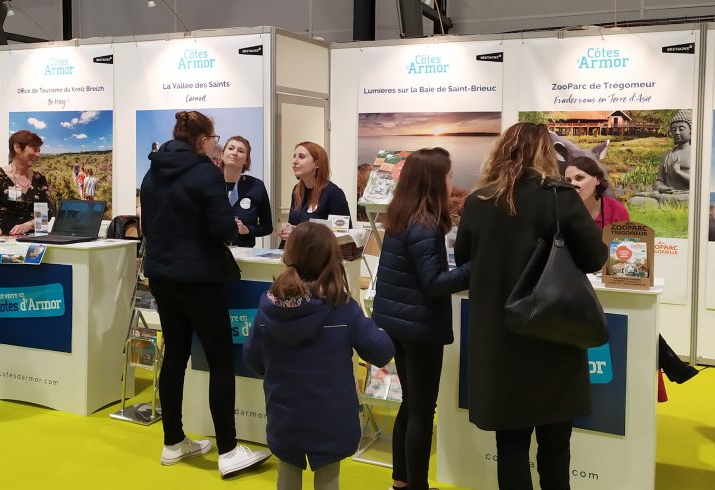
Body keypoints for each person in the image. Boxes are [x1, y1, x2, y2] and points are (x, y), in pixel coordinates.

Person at [454, 123, 607, 490]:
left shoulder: (479, 201)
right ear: (545, 154)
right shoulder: (559, 197)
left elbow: (463, 258)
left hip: (500, 342)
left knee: (510, 446)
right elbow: (593, 258)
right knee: (555, 447)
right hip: (553, 337)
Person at [140, 110, 271, 476]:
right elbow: (223, 230)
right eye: (214, 138)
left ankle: (173, 442)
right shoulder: (205, 174)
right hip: (200, 276)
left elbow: (149, 225)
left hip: (163, 275)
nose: (216, 143)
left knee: (175, 355)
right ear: (202, 140)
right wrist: (229, 227)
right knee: (220, 360)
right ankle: (228, 450)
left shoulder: (152, 173)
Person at [244, 222, 394, 490]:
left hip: (284, 411)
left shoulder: (267, 306)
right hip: (332, 416)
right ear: (330, 258)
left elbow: (252, 359)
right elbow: (381, 351)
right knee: (328, 477)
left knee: (287, 470)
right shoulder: (342, 308)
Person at [371, 148, 471, 490]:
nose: (451, 181)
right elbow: (434, 284)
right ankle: (416, 484)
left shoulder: (401, 218)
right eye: (449, 175)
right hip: (420, 327)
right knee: (421, 411)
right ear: (434, 181)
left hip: (399, 323)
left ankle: (401, 480)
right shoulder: (425, 226)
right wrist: (477, 268)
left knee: (411, 404)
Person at [563, 156, 698, 385]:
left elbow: (628, 252)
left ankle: (668, 362)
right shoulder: (563, 208)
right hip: (574, 280)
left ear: (597, 180)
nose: (573, 183)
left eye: (579, 177)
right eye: (568, 179)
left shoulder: (615, 209)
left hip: (609, 278)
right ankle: (671, 362)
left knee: (634, 309)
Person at [0, 130, 55, 237]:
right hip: (3, 242)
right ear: (17, 148)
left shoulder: (39, 179)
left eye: (39, 150)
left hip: (34, 244)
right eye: (34, 149)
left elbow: (45, 214)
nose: (38, 154)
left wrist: (28, 225)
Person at [278, 142, 351, 246]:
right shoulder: (296, 191)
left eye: (301, 157)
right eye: (294, 156)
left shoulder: (333, 193)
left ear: (317, 164)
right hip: (295, 254)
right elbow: (294, 224)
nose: (294, 161)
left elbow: (342, 235)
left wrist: (299, 234)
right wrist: (287, 231)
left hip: (319, 257)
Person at [221, 136, 273, 247]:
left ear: (246, 161)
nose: (234, 153)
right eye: (231, 148)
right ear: (222, 154)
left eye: (240, 151)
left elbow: (268, 227)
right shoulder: (210, 183)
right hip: (212, 253)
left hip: (243, 254)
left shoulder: (256, 186)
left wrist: (247, 229)